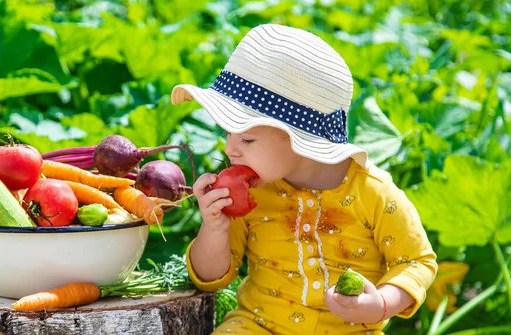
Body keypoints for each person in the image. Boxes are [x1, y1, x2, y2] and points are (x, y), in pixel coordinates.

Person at [170, 24, 437, 335]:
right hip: (258, 326)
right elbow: (212, 275)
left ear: (299, 139)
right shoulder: (252, 195)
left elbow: (417, 261)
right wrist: (214, 227)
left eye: (248, 139)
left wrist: (382, 304)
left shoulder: (374, 194)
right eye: (229, 133)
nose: (230, 148)